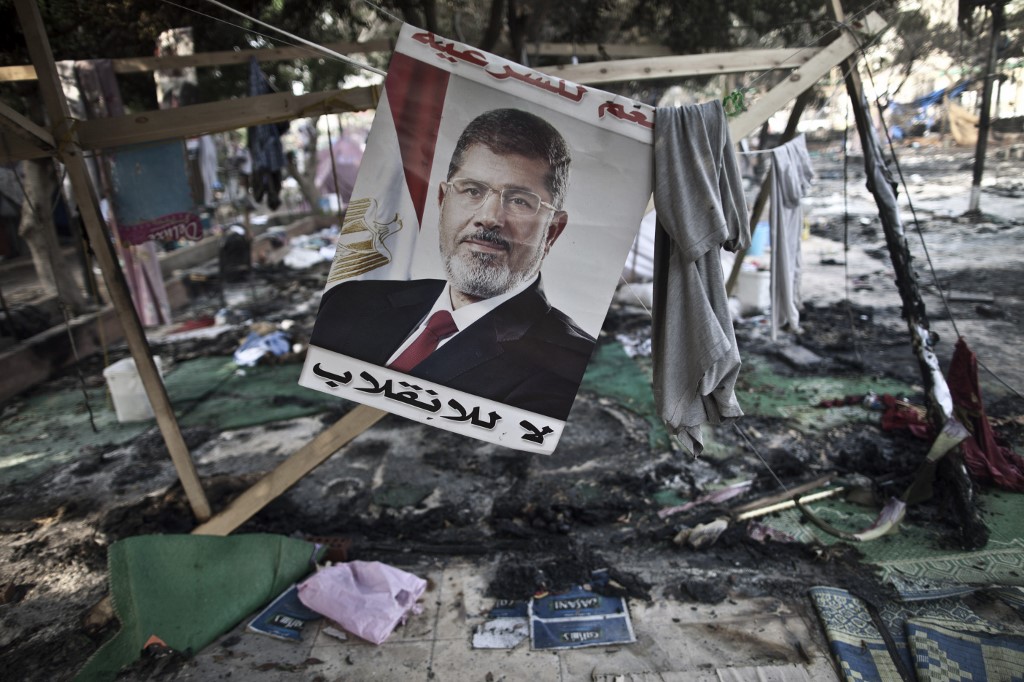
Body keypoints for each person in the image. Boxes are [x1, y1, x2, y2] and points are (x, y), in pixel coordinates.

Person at [309, 108, 595, 421]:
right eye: (473, 190)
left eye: (519, 201)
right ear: (443, 201)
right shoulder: (348, 302)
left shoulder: (571, 370)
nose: (489, 217)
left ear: (552, 231)